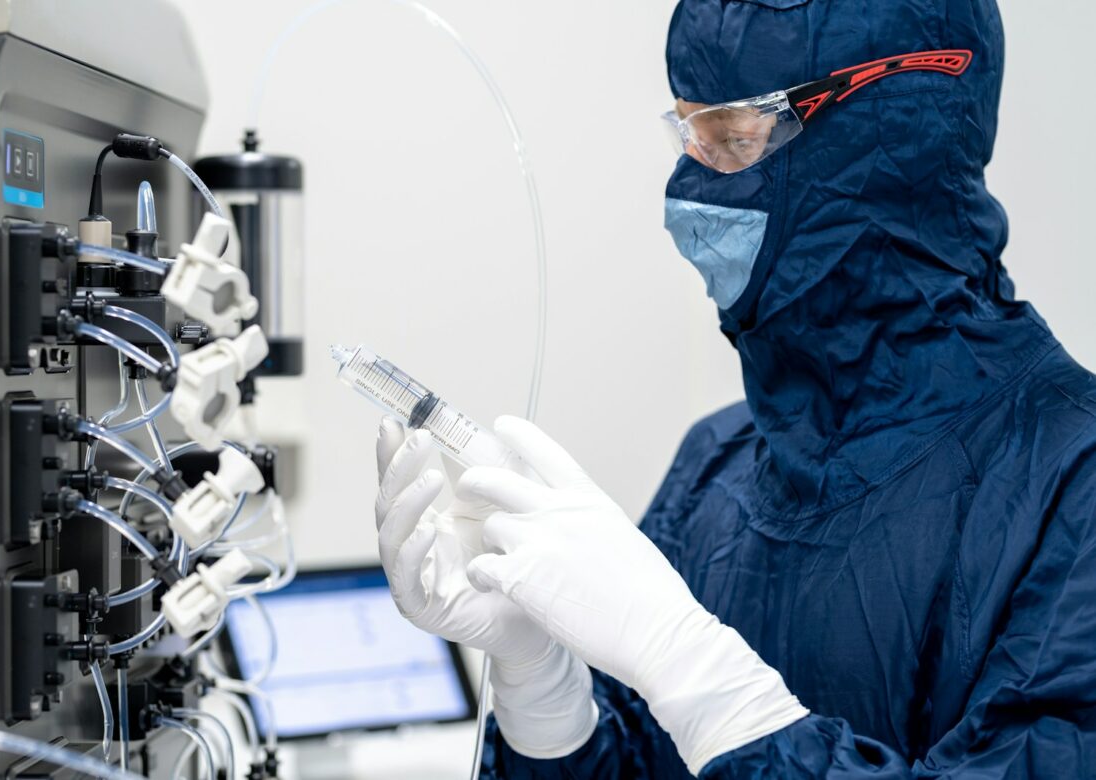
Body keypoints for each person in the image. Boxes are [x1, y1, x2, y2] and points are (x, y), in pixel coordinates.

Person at [374, 0, 1096, 776]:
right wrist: (545, 694)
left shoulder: (1069, 483)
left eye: (733, 140)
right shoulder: (717, 462)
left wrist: (707, 685)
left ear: (889, 137)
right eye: (687, 135)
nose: (685, 192)